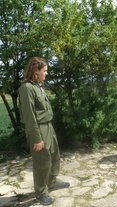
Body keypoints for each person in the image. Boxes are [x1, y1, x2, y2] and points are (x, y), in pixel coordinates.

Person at [18, 57, 70, 205]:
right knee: (42, 161)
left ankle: (52, 181)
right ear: (36, 70)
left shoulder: (38, 86)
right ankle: (41, 192)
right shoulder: (26, 88)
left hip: (48, 126)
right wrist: (36, 139)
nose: (46, 73)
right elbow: (30, 117)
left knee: (54, 155)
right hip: (38, 128)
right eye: (45, 71)